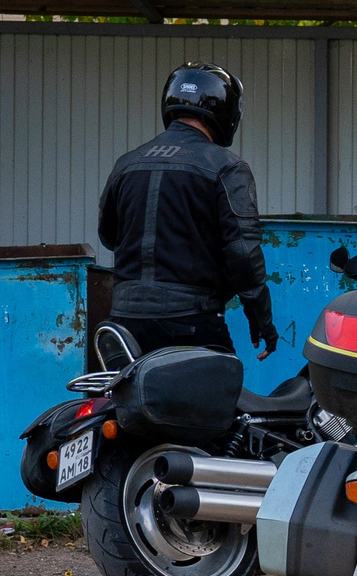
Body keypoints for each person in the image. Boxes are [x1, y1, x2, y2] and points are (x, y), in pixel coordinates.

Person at [97, 63, 278, 360]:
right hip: (190, 320)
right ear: (226, 111)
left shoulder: (126, 164)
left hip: (124, 324)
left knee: (127, 392)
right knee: (223, 389)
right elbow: (243, 254)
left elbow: (108, 235)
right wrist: (261, 319)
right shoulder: (226, 167)